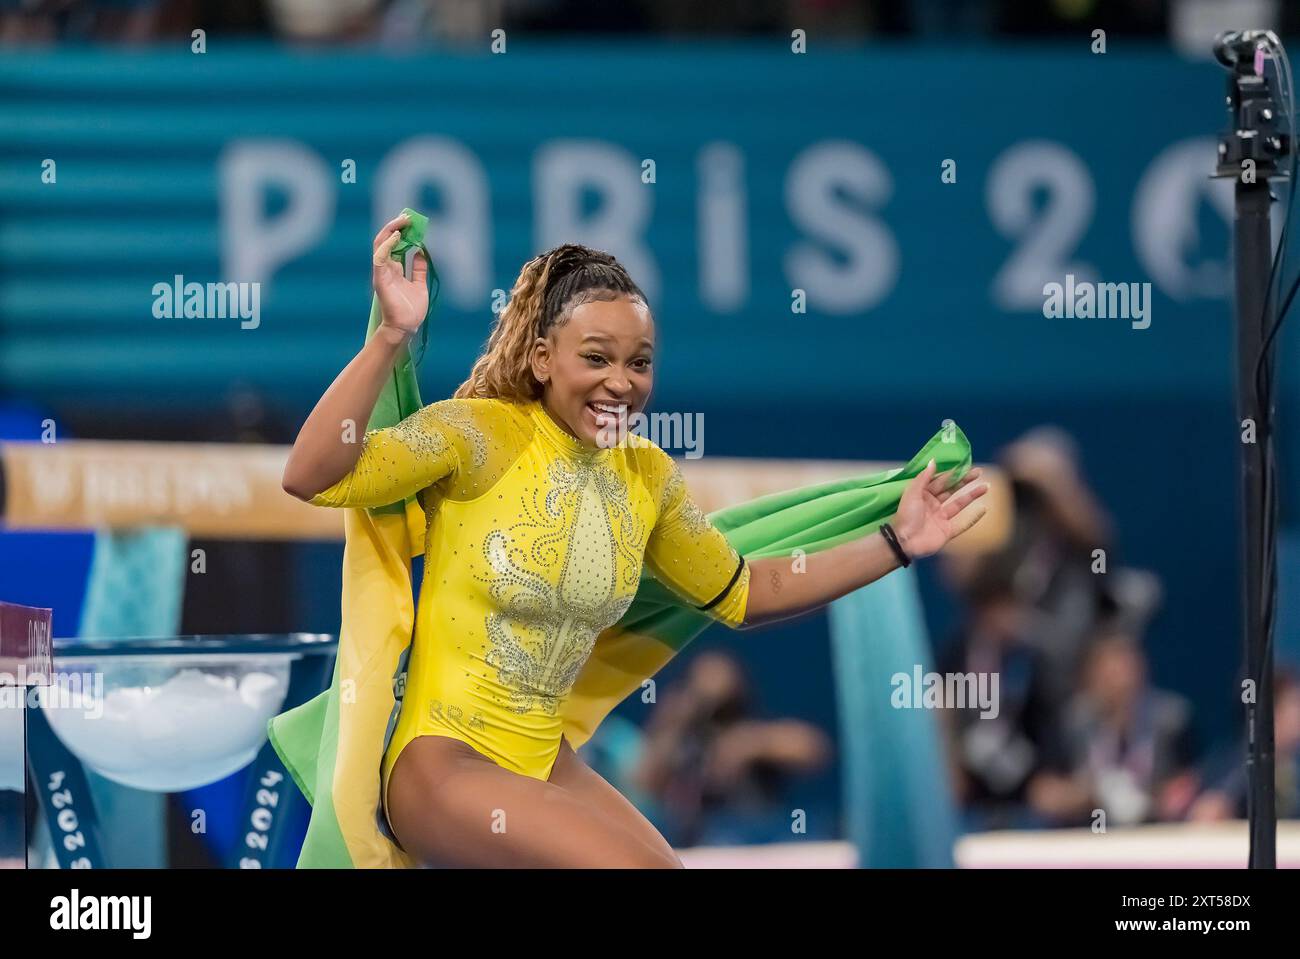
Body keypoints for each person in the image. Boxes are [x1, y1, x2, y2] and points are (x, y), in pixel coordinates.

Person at [281, 212, 990, 868]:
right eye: (596, 357)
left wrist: (895, 542)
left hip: (544, 760)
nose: (620, 383)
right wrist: (389, 337)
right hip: (444, 766)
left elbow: (746, 590)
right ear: (541, 358)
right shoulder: (478, 434)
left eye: (640, 362)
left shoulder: (646, 478)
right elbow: (310, 473)